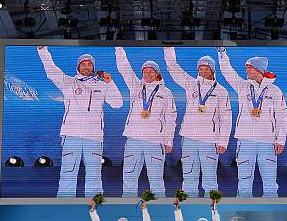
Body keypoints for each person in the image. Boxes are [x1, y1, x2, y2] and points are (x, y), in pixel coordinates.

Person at [37, 46, 123, 197]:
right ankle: (64, 204)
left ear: (93, 67)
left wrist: (110, 82)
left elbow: (117, 103)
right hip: (71, 134)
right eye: (83, 64)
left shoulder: (102, 86)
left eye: (89, 64)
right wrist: (43, 51)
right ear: (78, 67)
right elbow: (51, 71)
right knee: (68, 171)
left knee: (94, 173)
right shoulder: (68, 82)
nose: (86, 66)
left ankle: (95, 204)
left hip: (94, 136)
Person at [217, 47, 287, 198]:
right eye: (246, 68)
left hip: (267, 141)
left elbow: (282, 117)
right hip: (245, 140)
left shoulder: (275, 91)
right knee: (244, 180)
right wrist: (222, 54)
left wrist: (280, 140)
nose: (247, 71)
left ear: (258, 69)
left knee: (269, 181)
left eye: (249, 68)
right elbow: (228, 72)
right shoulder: (242, 86)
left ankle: (271, 211)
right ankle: (242, 211)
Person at [163, 47, 232, 197]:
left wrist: (223, 141)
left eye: (206, 68)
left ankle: (213, 206)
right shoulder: (191, 84)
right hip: (188, 138)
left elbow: (226, 118)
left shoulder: (221, 91)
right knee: (188, 176)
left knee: (210, 177)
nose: (202, 70)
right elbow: (174, 68)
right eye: (200, 68)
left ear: (213, 70)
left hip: (210, 140)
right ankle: (188, 205)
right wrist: (168, 49)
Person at [115, 47, 177, 197]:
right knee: (129, 175)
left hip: (155, 140)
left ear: (157, 74)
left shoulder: (166, 92)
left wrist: (169, 141)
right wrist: (119, 48)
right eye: (145, 71)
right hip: (134, 138)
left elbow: (171, 117)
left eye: (151, 71)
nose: (148, 74)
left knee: (156, 177)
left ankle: (159, 206)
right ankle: (127, 202)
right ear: (142, 73)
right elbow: (124, 68)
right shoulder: (135, 86)